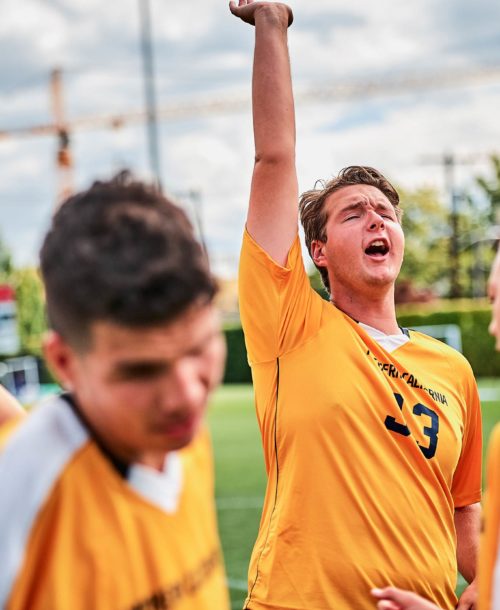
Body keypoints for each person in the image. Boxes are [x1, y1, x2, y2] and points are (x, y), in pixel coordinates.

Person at [230, 1, 482, 609]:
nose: (377, 219)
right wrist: (272, 23)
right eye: (354, 212)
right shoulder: (292, 324)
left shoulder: (454, 370)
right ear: (317, 249)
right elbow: (275, 159)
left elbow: (464, 512)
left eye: (386, 213)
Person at [0, 172, 230, 610]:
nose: (185, 393)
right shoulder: (19, 494)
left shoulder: (178, 428)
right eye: (141, 371)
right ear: (65, 362)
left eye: (200, 347)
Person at [372, 250, 500, 610]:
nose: (491, 324)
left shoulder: (452, 369)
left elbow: (465, 505)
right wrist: (489, 583)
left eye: (494, 300)